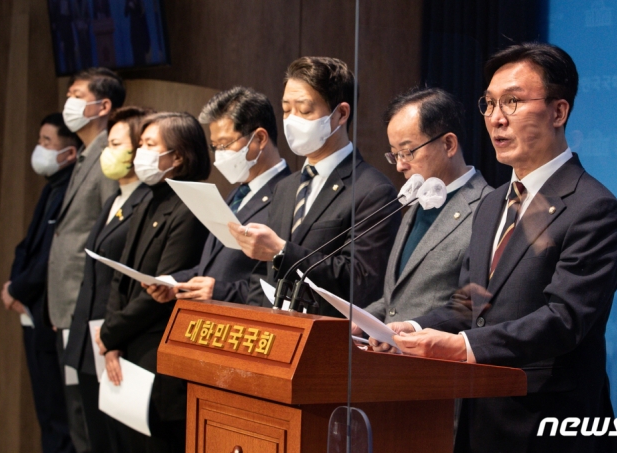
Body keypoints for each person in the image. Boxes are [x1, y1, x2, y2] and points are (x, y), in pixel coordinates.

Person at [376, 43, 617, 453]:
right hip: (480, 420)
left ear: (558, 112)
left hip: (548, 424)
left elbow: (564, 320)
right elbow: (469, 305)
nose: (496, 118)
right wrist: (416, 328)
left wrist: (462, 347)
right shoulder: (493, 201)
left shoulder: (594, 207)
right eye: (490, 103)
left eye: (512, 102)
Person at [230, 57, 401, 315]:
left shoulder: (373, 190)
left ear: (341, 114)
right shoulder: (285, 187)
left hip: (326, 339)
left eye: (305, 110)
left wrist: (283, 251)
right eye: (287, 110)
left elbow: (361, 281)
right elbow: (261, 276)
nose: (291, 120)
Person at [96, 112, 210, 453]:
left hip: (159, 357)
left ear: (178, 156)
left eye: (149, 145)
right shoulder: (149, 198)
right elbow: (122, 274)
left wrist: (110, 333)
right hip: (127, 349)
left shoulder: (191, 204)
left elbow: (162, 288)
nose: (140, 154)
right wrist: (111, 338)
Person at [356, 87, 490, 329]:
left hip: (438, 360)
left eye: (407, 152)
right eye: (394, 154)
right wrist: (359, 321)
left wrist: (415, 327)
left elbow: (474, 305)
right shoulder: (418, 203)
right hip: (392, 359)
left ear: (448, 144)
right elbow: (394, 301)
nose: (399, 166)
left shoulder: (487, 208)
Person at [145, 87, 290, 305]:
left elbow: (283, 281)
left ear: (259, 138)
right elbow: (214, 266)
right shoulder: (239, 192)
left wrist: (222, 291)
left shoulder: (289, 194)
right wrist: (176, 281)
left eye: (226, 144)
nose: (220, 155)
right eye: (215, 147)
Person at [63, 107, 154, 453]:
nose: (107, 152)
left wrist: (115, 334)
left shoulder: (144, 202)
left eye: (116, 144)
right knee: (91, 437)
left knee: (118, 442)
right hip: (90, 339)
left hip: (118, 340)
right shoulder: (115, 198)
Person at [48, 67, 124, 453]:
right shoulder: (83, 156)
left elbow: (108, 238)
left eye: (77, 94)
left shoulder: (107, 159)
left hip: (89, 307)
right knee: (74, 410)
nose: (69, 103)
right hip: (67, 307)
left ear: (103, 105)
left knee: (87, 416)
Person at [1, 113, 79, 453]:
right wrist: (13, 286)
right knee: (46, 416)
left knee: (60, 420)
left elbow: (54, 255)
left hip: (51, 316)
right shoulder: (51, 187)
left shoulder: (70, 191)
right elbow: (26, 247)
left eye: (47, 142)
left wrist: (18, 290)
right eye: (39, 140)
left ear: (70, 153)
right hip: (31, 311)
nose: (39, 148)